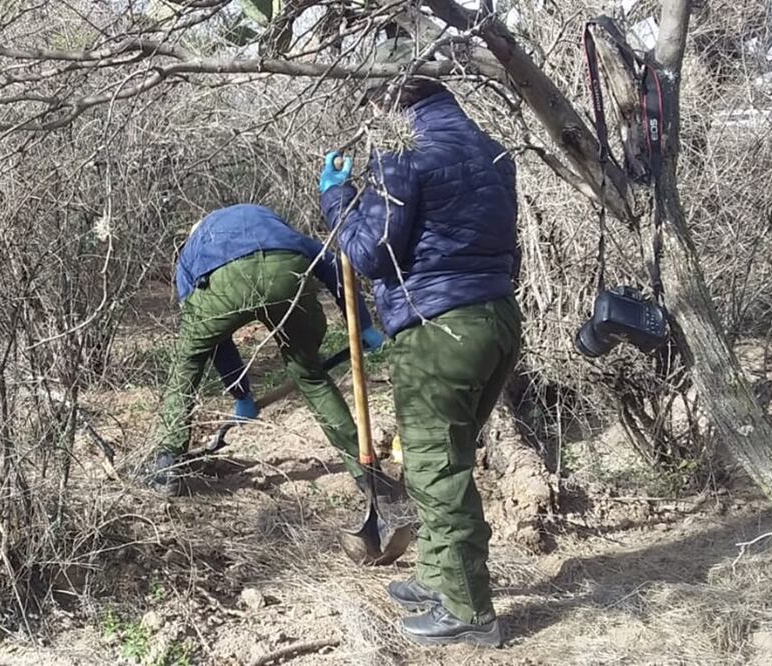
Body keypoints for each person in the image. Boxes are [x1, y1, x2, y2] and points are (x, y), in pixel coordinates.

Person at [318, 35, 521, 647]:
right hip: (496, 319)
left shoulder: (404, 152)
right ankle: (438, 576)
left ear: (391, 98)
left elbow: (372, 254)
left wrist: (335, 199)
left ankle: (467, 610)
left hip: (440, 330)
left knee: (436, 470)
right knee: (449, 458)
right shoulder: (493, 150)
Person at [148, 204, 385, 495]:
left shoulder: (189, 257)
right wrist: (361, 323)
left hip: (220, 288)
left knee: (187, 363)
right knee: (310, 376)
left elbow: (214, 343)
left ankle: (166, 465)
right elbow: (333, 265)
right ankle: (369, 477)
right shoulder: (268, 222)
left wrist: (241, 394)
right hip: (286, 269)